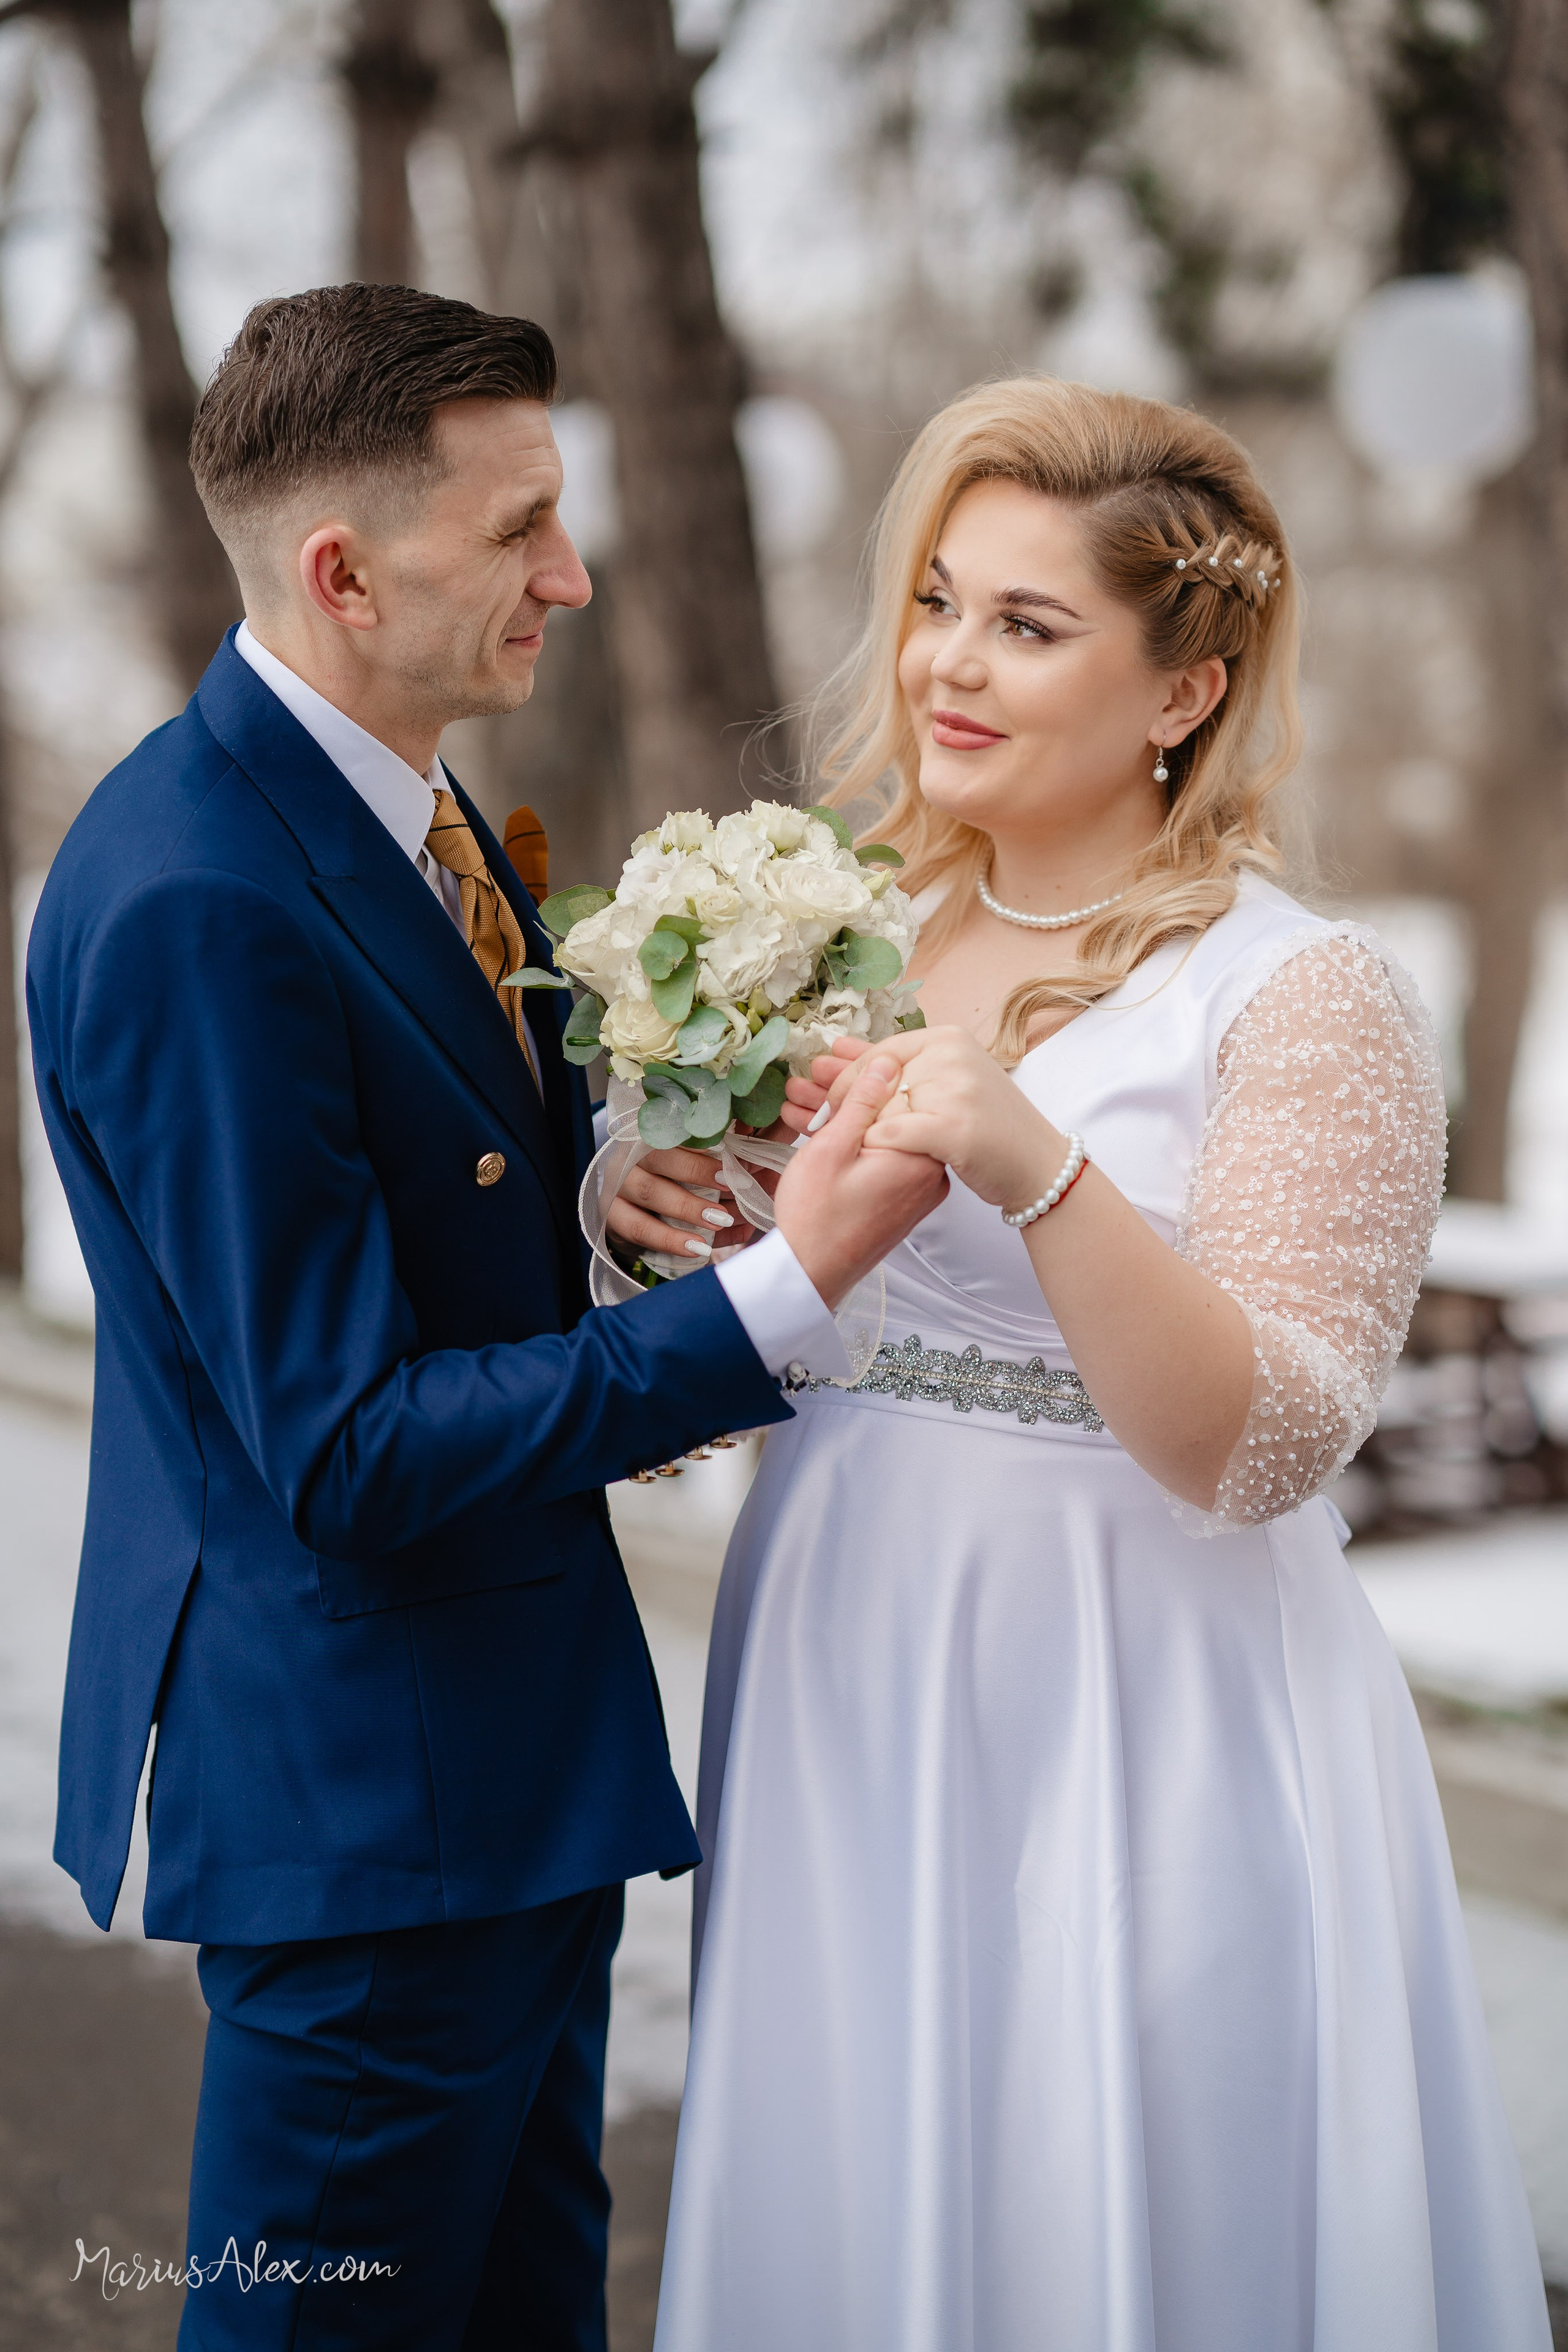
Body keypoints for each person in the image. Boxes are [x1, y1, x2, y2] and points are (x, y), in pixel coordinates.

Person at [25, 282, 944, 2352]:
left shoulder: (401, 809)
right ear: (346, 571)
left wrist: (603, 1203)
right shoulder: (198, 896)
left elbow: (422, 1222)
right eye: (523, 524)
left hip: (494, 1792)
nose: (575, 570)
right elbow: (344, 1449)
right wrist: (785, 1299)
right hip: (376, 1830)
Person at [653, 377, 1552, 2351]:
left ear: (1183, 693)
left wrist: (1034, 1161)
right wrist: (664, 1228)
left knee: (1117, 2190)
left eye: (1028, 625)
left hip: (1141, 1692)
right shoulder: (825, 929)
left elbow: (1264, 1449)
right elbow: (746, 1336)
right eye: (940, 601)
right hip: (837, 1639)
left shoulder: (1301, 993)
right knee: (864, 2169)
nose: (948, 666)